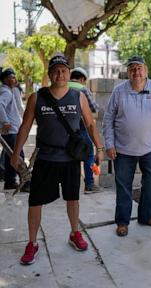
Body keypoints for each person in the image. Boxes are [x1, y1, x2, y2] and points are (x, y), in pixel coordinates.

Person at [11, 54, 105, 265]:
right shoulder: (38, 97)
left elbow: (90, 124)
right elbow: (25, 126)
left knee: (73, 198)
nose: (60, 74)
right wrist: (16, 153)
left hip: (71, 159)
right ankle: (32, 243)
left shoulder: (78, 96)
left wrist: (99, 148)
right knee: (35, 202)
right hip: (45, 158)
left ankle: (74, 233)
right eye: (56, 70)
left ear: (68, 73)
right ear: (49, 74)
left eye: (63, 70)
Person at [103, 55, 151, 237]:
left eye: (139, 68)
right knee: (124, 186)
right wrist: (109, 144)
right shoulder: (119, 91)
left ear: (146, 71)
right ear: (128, 72)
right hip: (123, 149)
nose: (136, 72)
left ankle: (146, 216)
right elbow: (108, 118)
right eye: (132, 69)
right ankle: (122, 221)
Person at [68, 67, 100, 193]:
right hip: (80, 124)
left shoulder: (62, 86)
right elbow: (93, 108)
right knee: (88, 152)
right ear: (82, 79)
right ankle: (89, 185)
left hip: (62, 126)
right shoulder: (82, 89)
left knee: (68, 152)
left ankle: (67, 184)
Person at [0, 68, 29, 191]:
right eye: (12, 77)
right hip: (10, 131)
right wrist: (5, 121)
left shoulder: (8, 90)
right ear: (5, 79)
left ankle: (10, 182)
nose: (15, 79)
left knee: (10, 157)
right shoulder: (6, 92)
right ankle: (26, 183)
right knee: (19, 156)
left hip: (11, 131)